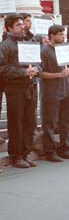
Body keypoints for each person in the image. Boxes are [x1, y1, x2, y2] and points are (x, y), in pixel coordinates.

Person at [0, 14, 39, 168]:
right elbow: (2, 68)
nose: (22, 27)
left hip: (31, 86)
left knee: (30, 122)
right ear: (9, 28)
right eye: (18, 25)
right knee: (16, 122)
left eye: (23, 24)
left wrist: (35, 69)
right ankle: (16, 155)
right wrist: (23, 72)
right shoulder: (5, 45)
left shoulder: (29, 42)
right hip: (15, 88)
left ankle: (25, 152)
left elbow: (38, 62)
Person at [40, 25, 69, 162]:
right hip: (51, 92)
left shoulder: (64, 49)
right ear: (52, 35)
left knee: (67, 121)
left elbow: (67, 69)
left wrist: (67, 80)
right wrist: (58, 75)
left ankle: (64, 148)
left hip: (66, 90)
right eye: (60, 34)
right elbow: (40, 73)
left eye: (64, 34)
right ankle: (50, 151)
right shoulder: (45, 51)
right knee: (50, 123)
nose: (63, 37)